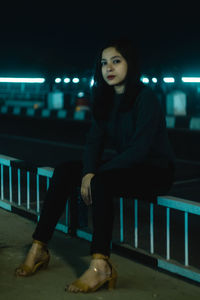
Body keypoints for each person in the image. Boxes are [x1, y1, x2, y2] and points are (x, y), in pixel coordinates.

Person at [15, 37, 175, 293]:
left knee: (101, 181)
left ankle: (101, 266)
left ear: (130, 64)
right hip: (126, 166)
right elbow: (93, 142)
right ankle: (39, 246)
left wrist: (95, 175)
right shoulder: (106, 99)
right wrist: (88, 171)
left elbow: (139, 150)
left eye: (116, 61)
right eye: (103, 63)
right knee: (66, 170)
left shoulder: (146, 98)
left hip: (155, 170)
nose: (108, 68)